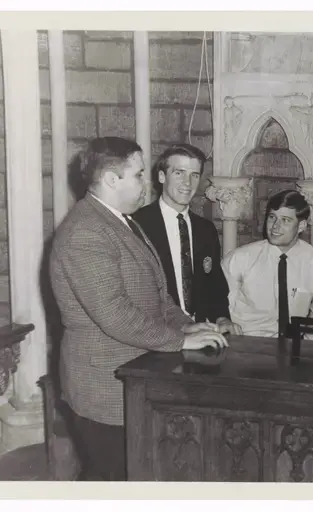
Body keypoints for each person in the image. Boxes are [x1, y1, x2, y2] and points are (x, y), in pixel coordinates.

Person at [49, 137, 228, 481]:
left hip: (132, 375)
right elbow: (115, 313)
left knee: (132, 471)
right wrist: (179, 342)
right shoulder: (86, 232)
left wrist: (185, 325)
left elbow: (156, 295)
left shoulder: (120, 221)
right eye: (139, 174)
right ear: (112, 180)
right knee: (111, 476)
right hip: (104, 385)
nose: (146, 182)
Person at [132, 143, 240, 334]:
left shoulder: (206, 229)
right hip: (156, 333)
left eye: (194, 175)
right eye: (179, 173)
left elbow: (215, 284)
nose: (187, 183)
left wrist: (222, 317)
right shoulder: (137, 225)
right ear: (161, 176)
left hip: (200, 332)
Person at [221, 189, 313, 338]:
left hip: (293, 348)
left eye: (285, 220)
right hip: (247, 345)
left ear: (301, 226)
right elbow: (220, 312)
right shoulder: (239, 259)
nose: (275, 226)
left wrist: (304, 353)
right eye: (272, 217)